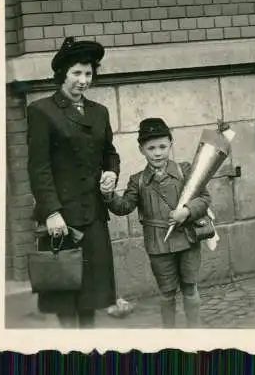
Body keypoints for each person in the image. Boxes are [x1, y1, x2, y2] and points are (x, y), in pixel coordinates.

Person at [27, 37, 120, 328]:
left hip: (92, 215)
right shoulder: (42, 111)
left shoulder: (99, 112)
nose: (83, 80)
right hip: (63, 218)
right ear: (62, 74)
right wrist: (51, 212)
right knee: (66, 297)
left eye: (89, 73)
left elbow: (110, 153)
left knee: (90, 298)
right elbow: (38, 168)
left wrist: (111, 173)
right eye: (77, 73)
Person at [102, 118, 211, 328]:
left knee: (190, 287)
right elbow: (124, 207)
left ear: (171, 143)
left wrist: (187, 211)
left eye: (162, 146)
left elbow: (204, 198)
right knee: (167, 291)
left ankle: (194, 332)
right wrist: (108, 196)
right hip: (158, 244)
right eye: (151, 148)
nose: (158, 153)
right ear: (141, 149)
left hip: (188, 239)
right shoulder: (138, 180)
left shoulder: (184, 170)